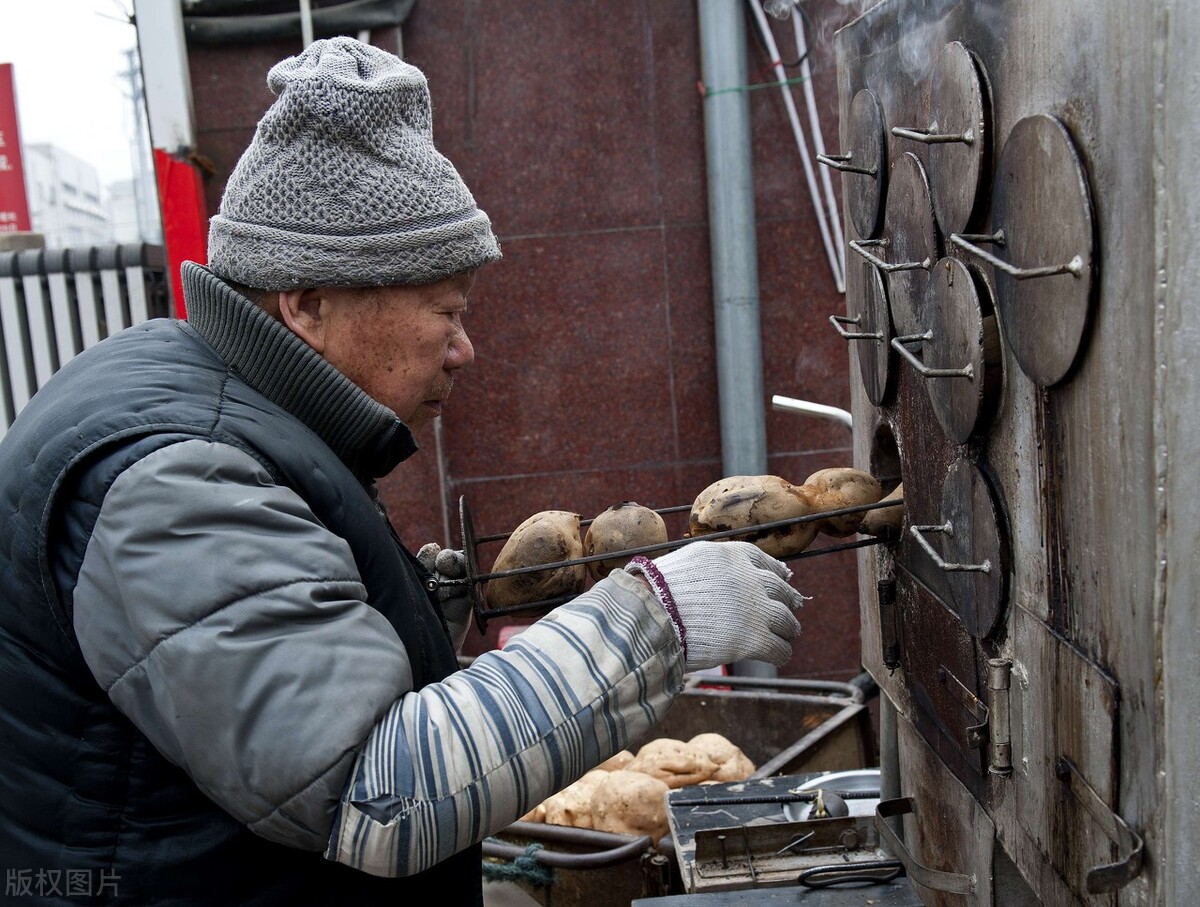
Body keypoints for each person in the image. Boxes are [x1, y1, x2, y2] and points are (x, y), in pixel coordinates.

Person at [0, 37, 803, 906]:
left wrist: (409, 610)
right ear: (307, 303)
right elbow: (377, 792)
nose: (466, 348)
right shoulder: (176, 478)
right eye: (445, 312)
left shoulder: (220, 401)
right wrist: (655, 620)